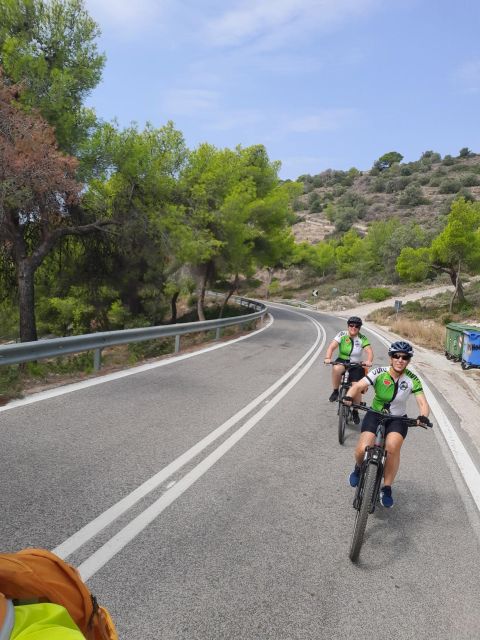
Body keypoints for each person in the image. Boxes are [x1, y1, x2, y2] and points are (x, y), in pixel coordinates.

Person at [344, 340, 431, 508]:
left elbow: (423, 403)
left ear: (408, 360)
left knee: (392, 448)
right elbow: (359, 386)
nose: (400, 360)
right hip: (375, 414)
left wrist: (423, 417)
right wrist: (348, 396)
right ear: (391, 358)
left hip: (398, 419)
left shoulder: (412, 379)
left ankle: (387, 487)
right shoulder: (379, 371)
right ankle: (358, 468)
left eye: (405, 357)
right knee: (362, 449)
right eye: (396, 356)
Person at [324, 316, 373, 425]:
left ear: (359, 328)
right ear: (348, 326)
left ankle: (355, 410)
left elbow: (369, 351)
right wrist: (328, 358)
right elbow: (332, 347)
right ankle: (336, 391)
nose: (354, 328)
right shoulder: (342, 334)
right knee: (336, 368)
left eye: (357, 326)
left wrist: (368, 361)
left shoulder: (362, 338)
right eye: (351, 325)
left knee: (357, 386)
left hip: (356, 364)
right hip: (342, 360)